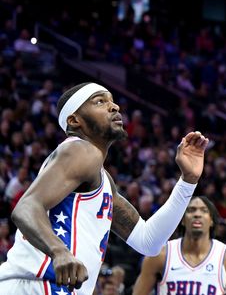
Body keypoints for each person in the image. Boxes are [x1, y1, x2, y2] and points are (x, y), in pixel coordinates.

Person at [0, 82, 209, 294]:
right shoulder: (79, 149)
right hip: (34, 286)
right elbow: (26, 207)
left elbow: (149, 241)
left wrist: (188, 181)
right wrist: (59, 252)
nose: (114, 107)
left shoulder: (102, 178)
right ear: (75, 120)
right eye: (100, 101)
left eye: (112, 100)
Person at [132, 196, 226, 295]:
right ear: (182, 220)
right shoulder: (160, 255)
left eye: (204, 211)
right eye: (191, 210)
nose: (197, 214)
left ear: (211, 221)